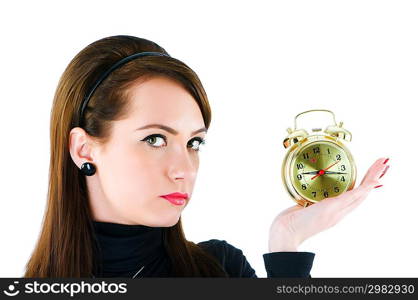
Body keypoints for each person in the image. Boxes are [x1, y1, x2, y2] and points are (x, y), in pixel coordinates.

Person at [24, 35, 390, 278]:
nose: (184, 170)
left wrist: (286, 243)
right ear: (83, 149)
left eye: (194, 143)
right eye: (155, 139)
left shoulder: (220, 269)